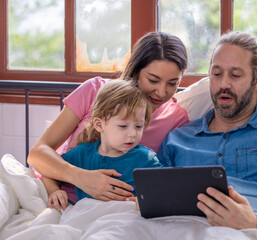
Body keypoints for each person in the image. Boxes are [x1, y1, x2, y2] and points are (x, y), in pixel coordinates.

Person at [158, 31, 257, 240]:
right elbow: (150, 200)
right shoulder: (176, 139)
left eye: (235, 75)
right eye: (216, 74)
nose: (224, 84)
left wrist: (254, 222)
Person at [28, 32, 188, 204]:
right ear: (135, 72)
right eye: (153, 80)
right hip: (66, 199)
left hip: (121, 210)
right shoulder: (94, 91)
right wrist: (81, 177)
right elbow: (37, 154)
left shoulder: (177, 118)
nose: (162, 92)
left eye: (173, 83)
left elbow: (168, 181)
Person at [42, 80, 162, 211]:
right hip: (85, 216)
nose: (133, 134)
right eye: (123, 126)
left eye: (139, 126)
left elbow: (166, 188)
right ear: (99, 125)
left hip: (125, 219)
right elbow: (49, 172)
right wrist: (54, 191)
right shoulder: (81, 154)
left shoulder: (146, 159)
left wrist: (146, 200)